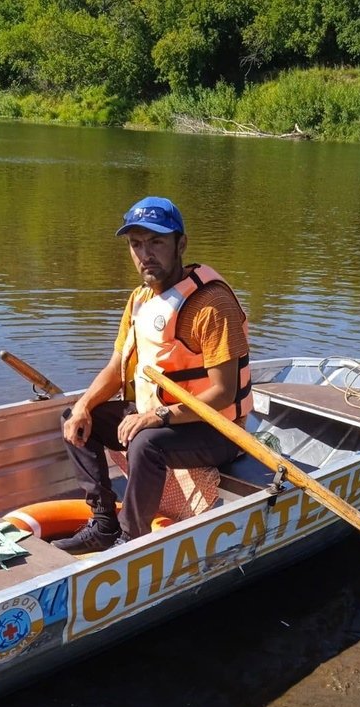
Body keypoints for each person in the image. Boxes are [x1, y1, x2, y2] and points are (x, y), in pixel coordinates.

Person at [53, 195, 252, 554]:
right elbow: (116, 368)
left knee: (146, 443)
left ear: (181, 244)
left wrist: (157, 416)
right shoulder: (140, 299)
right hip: (162, 416)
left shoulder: (211, 305)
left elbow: (224, 392)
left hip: (217, 429)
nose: (145, 254)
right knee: (76, 419)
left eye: (157, 242)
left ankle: (131, 541)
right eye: (136, 244)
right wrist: (83, 406)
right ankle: (104, 523)